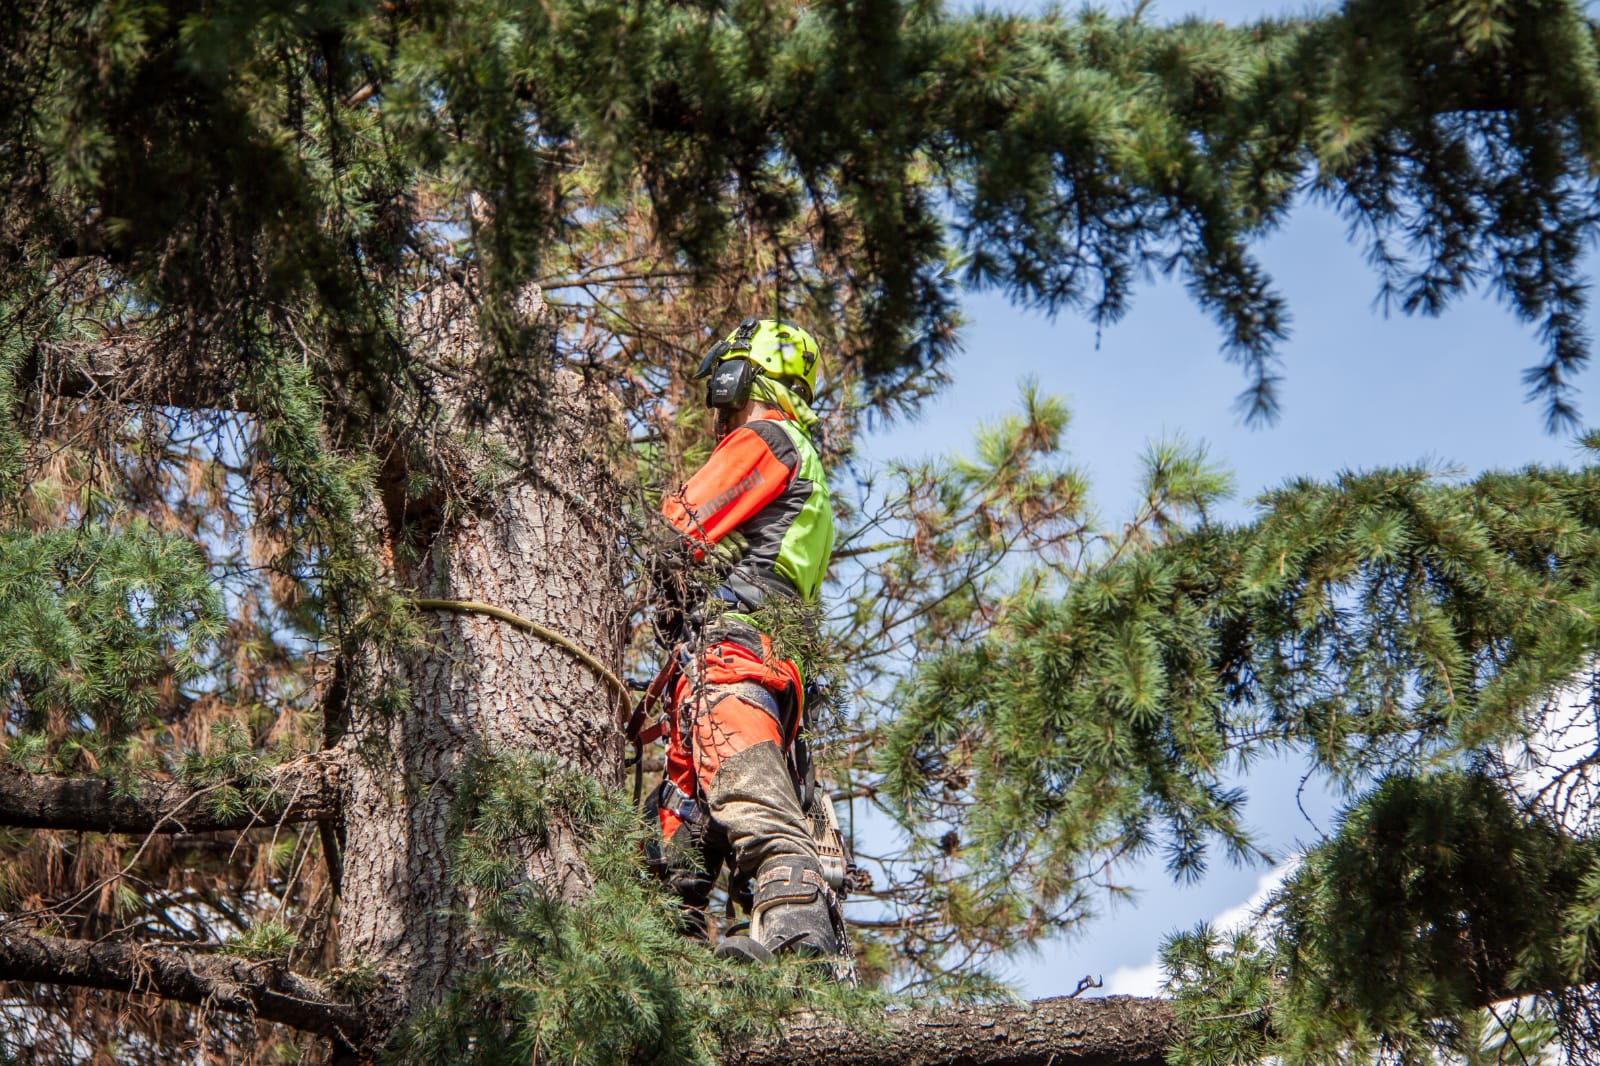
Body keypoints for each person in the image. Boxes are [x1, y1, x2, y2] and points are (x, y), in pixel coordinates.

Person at [646, 317, 843, 963]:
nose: (719, 411)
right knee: (673, 853)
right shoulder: (805, 465)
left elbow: (679, 524)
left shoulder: (768, 439)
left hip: (734, 659)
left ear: (742, 379)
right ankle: (675, 979)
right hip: (741, 665)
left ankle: (799, 951)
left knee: (754, 803)